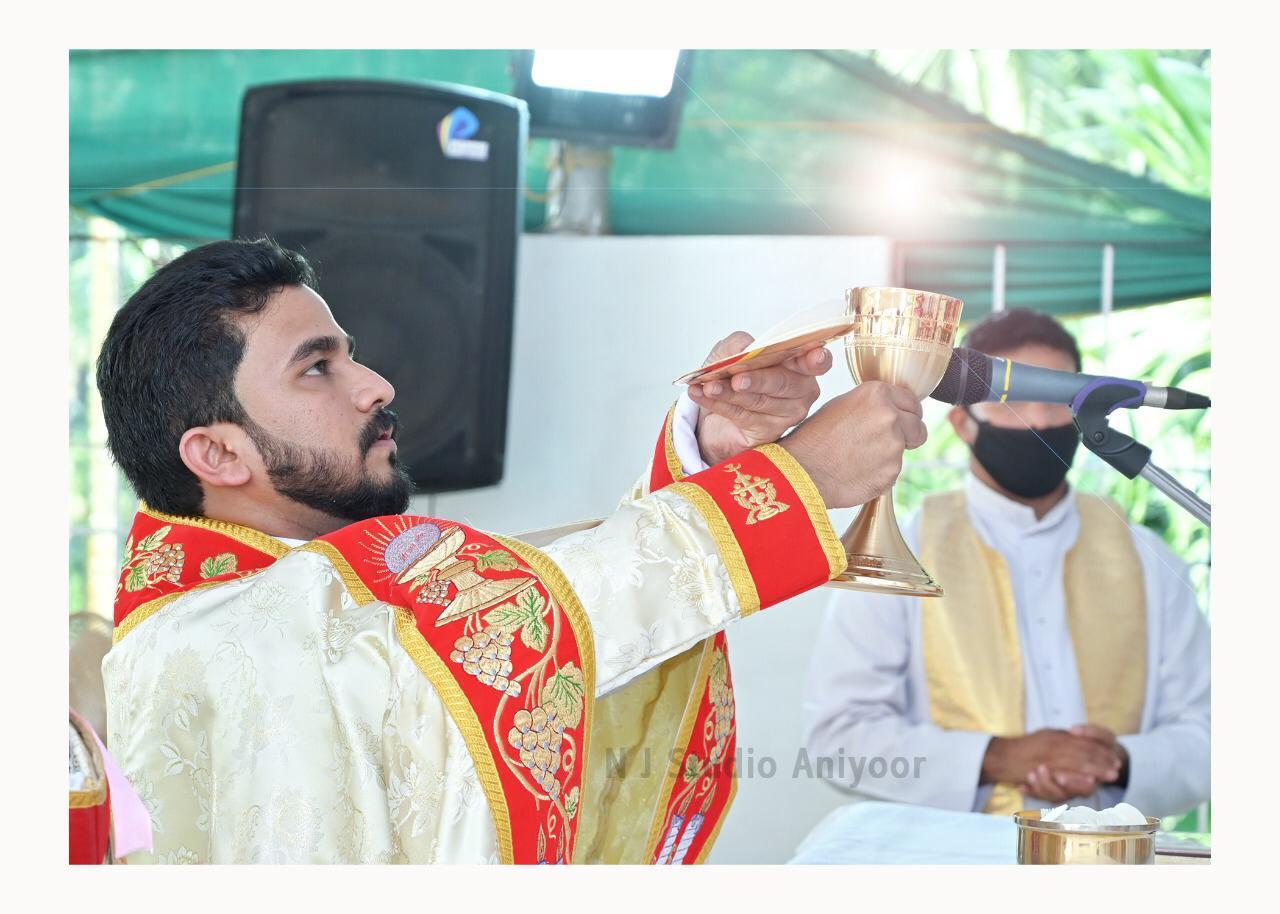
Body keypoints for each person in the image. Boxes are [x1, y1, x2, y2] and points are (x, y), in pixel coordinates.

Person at [98, 238, 927, 863]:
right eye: (318, 368)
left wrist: (716, 449)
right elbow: (504, 630)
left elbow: (528, 611)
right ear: (216, 455)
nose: (375, 385)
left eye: (349, 352)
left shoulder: (320, 591)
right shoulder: (210, 636)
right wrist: (796, 484)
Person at [802, 308, 1210, 819]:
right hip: (956, 862)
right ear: (962, 422)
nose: (1038, 421)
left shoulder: (1147, 555)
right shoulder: (895, 548)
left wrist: (1119, 762)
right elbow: (838, 738)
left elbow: (1210, 729)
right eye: (1013, 402)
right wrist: (999, 758)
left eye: (1058, 401)